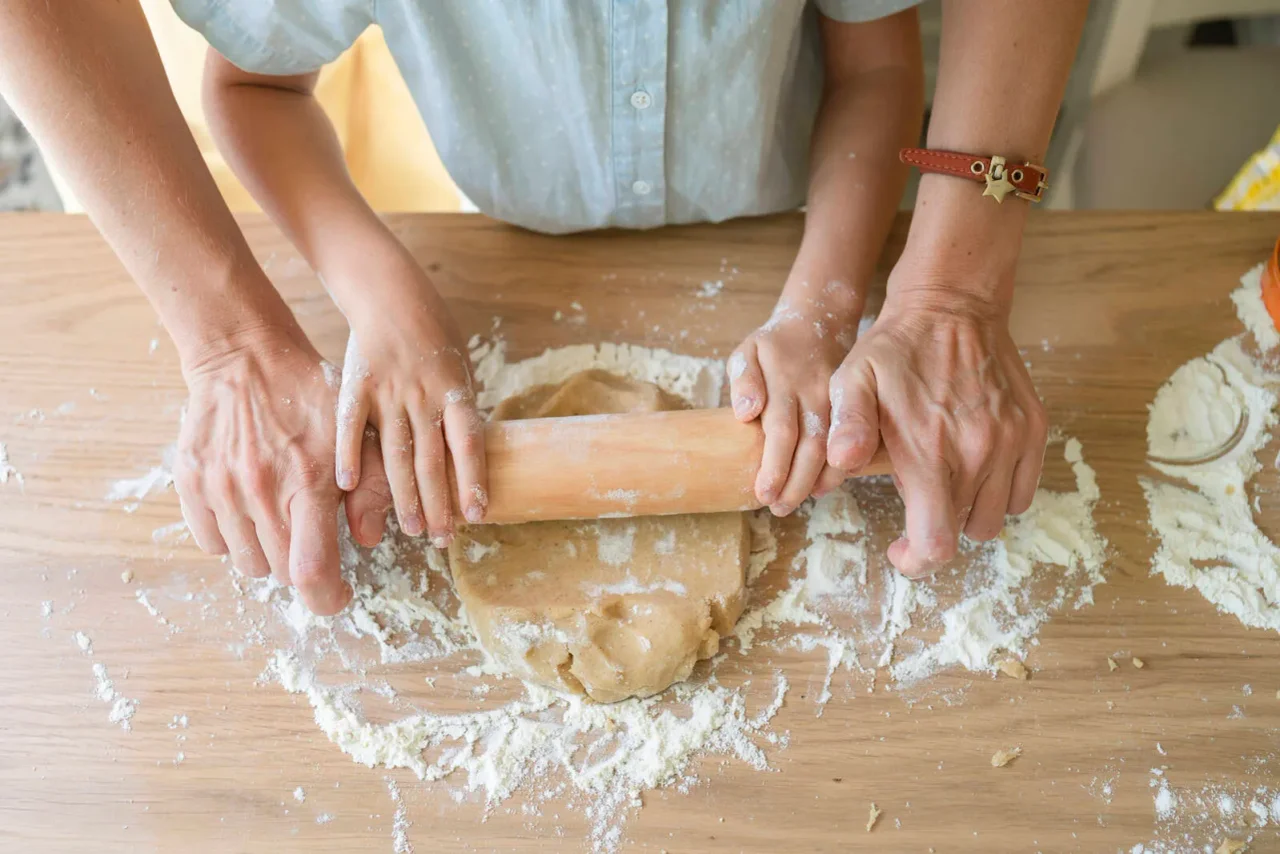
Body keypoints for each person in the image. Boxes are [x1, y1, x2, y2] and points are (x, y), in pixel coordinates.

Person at [0, 1, 1086, 615]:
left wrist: (829, 301)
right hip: (505, 226)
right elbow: (249, 89)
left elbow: (875, 60)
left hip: (787, 207)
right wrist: (380, 297)